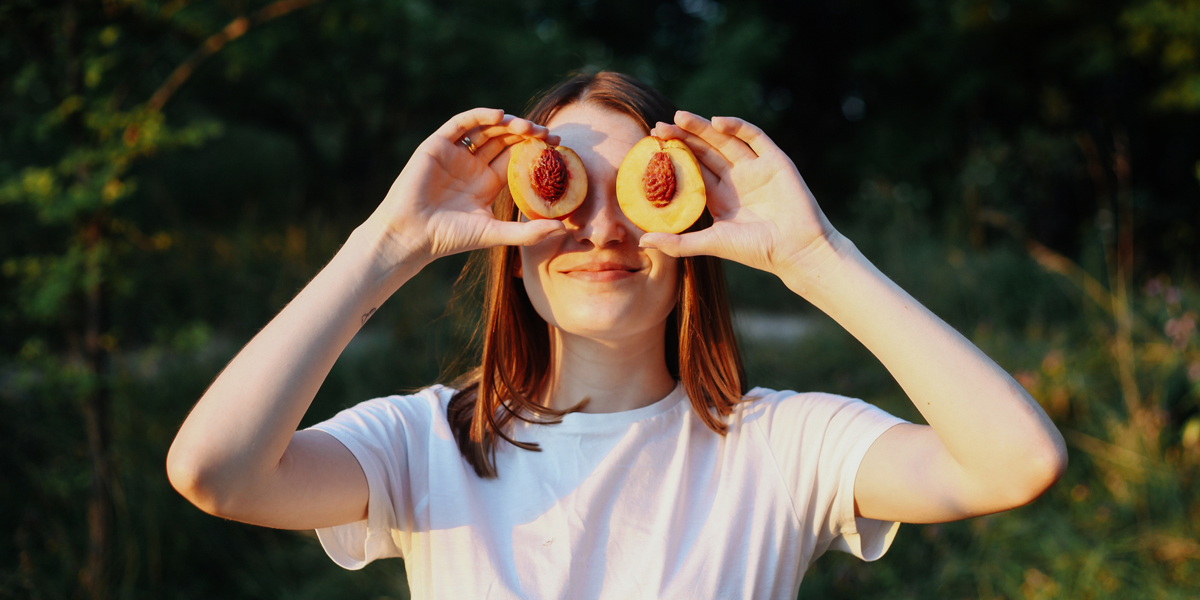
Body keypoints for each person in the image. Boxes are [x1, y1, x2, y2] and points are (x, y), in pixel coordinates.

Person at [167, 72, 1067, 598]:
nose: (601, 229)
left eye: (635, 191)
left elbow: (1016, 463)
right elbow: (216, 472)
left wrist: (814, 256)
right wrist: (387, 245)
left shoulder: (787, 447)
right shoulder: (422, 444)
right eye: (563, 191)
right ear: (509, 244)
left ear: (693, 241)